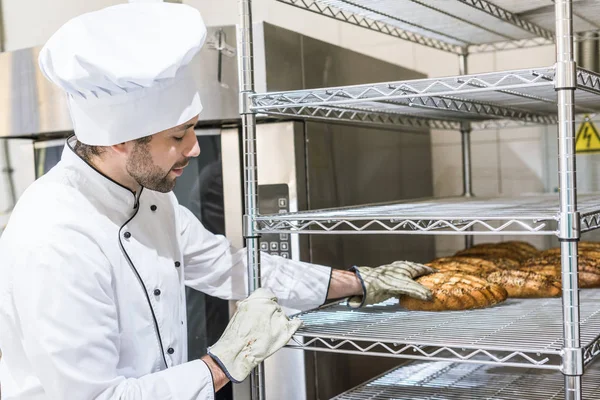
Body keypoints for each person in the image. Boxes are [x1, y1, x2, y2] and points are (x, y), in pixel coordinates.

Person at [0, 3, 434, 400]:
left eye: (193, 129)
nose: (195, 149)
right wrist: (224, 363)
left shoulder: (148, 198)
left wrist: (358, 281)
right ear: (119, 142)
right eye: (178, 136)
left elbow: (229, 266)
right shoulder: (54, 239)